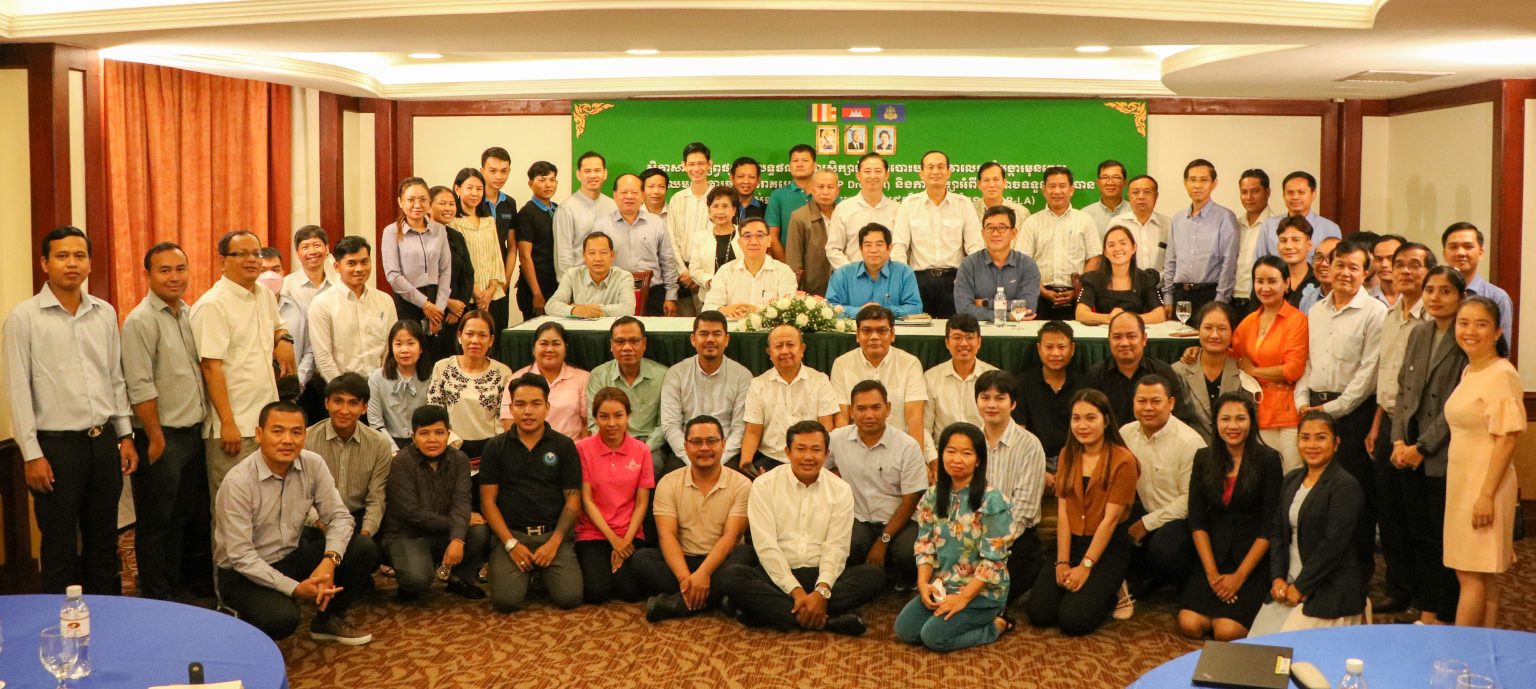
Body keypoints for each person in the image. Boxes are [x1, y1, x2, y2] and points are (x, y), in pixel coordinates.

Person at [6, 226, 139, 594]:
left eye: (79, 256)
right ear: (44, 263)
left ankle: (105, 616)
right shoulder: (24, 318)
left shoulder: (104, 313)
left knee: (103, 540)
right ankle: (60, 622)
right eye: (62, 256)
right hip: (56, 448)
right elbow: (17, 390)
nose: (72, 263)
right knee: (59, 545)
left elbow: (115, 378)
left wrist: (125, 434)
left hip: (103, 443)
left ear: (89, 263)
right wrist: (31, 454)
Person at [214, 400, 378, 643]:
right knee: (283, 619)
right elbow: (240, 556)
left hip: (290, 556)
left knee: (363, 549)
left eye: (296, 432)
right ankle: (239, 620)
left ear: (304, 435)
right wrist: (295, 588)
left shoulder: (313, 464)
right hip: (243, 573)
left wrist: (329, 561)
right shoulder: (238, 482)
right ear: (259, 434)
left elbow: (340, 517)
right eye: (277, 431)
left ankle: (327, 620)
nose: (287, 440)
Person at [718, 421, 886, 636]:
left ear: (826, 454)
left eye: (816, 450)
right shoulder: (764, 485)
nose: (808, 457)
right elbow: (766, 546)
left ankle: (767, 612)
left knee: (874, 577)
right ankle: (828, 620)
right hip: (777, 573)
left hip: (821, 573)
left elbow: (836, 547)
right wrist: (796, 592)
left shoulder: (841, 489)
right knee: (732, 576)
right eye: (801, 449)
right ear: (787, 452)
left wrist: (822, 591)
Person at [1295, 238, 1385, 585]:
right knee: (1317, 493)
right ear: (1327, 268)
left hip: (1352, 414)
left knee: (1353, 496)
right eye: (1339, 265)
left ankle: (1356, 576)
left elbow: (1368, 374)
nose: (1345, 272)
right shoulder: (1316, 311)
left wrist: (1331, 410)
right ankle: (1317, 571)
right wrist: (1301, 401)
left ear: (1365, 273)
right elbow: (1307, 361)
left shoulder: (1375, 313)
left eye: (1353, 267)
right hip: (1314, 409)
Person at [121, 242, 207, 600]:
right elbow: (139, 385)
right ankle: (156, 593)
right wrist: (156, 438)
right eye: (165, 270)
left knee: (181, 516)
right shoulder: (140, 321)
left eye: (180, 269)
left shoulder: (187, 313)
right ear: (148, 275)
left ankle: (173, 586)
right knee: (156, 521)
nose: (174, 277)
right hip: (160, 437)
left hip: (191, 435)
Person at [1388, 266, 1467, 625]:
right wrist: (1398, 439)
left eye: (1445, 291)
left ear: (1460, 296)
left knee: (1442, 538)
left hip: (1442, 455)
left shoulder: (1465, 336)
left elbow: (1456, 404)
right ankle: (1427, 609)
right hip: (1408, 450)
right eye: (1430, 290)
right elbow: (1403, 390)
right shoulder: (1419, 332)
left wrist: (1422, 447)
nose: (1435, 297)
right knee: (1417, 534)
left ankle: (1445, 613)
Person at [1026, 390, 1139, 636]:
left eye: (1090, 418)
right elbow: (1064, 513)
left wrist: (1086, 567)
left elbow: (1110, 521)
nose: (1082, 425)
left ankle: (1116, 590)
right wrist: (1063, 561)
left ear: (1106, 420)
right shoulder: (1067, 454)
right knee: (1040, 613)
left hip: (1106, 546)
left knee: (1073, 621)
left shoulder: (1124, 460)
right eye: (1076, 418)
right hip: (1072, 541)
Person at [194, 230, 297, 499]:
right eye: (241, 254)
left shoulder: (263, 293)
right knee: (233, 506)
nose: (252, 259)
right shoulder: (213, 305)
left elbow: (279, 327)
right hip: (234, 427)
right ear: (222, 261)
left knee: (268, 502)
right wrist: (228, 423)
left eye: (256, 253)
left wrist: (284, 340)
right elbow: (210, 368)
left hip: (266, 422)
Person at [895, 423, 1014, 651]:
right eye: (951, 451)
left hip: (983, 592)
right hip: (944, 585)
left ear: (978, 460)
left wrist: (963, 598)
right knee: (905, 630)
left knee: (933, 638)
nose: (957, 459)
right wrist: (923, 584)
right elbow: (925, 545)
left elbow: (994, 561)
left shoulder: (992, 500)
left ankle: (996, 624)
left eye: (966, 453)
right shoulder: (932, 496)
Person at [1443, 297, 1523, 628]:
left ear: (1497, 331)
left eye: (1481, 324)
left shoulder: (1501, 373)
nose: (1470, 331)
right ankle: (1486, 646)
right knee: (1481, 571)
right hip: (1464, 482)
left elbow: (1507, 439)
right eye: (1464, 323)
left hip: (1486, 483)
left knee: (1470, 573)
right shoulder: (1470, 369)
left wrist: (1486, 495)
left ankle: (1461, 650)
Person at [1177, 392, 1283, 641]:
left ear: (1251, 422)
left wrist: (1238, 578)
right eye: (1225, 419)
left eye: (1240, 418)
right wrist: (1212, 574)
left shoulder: (1268, 460)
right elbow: (1197, 520)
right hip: (1213, 555)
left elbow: (1270, 525)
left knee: (1227, 631)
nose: (1233, 426)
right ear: (1216, 422)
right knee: (1190, 625)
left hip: (1251, 558)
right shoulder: (1203, 458)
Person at [1250, 411, 1365, 635]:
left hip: (1327, 588)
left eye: (1321, 438)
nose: (1312, 445)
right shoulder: (1291, 479)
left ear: (1336, 443)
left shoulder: (1345, 485)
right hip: (1287, 584)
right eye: (1305, 438)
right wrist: (1277, 578)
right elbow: (1278, 534)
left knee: (1291, 648)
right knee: (1256, 645)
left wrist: (1301, 587)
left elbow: (1333, 546)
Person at [1366, 240, 1434, 614]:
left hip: (1418, 428)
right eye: (1400, 264)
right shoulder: (1391, 314)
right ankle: (1399, 588)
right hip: (1389, 422)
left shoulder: (1433, 317)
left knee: (1416, 515)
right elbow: (1386, 375)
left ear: (1428, 271)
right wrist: (1377, 425)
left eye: (1414, 264)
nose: (1405, 271)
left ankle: (1424, 595)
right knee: (1389, 512)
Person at [480, 373, 585, 612]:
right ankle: (525, 572)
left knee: (569, 598)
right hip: (512, 535)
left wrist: (554, 543)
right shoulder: (495, 447)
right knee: (506, 602)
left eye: (536, 404)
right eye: (520, 404)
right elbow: (488, 502)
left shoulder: (564, 445)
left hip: (552, 535)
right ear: (511, 409)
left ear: (547, 407)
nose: (528, 411)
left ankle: (538, 573)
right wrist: (510, 543)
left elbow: (573, 499)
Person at [638, 415, 755, 622]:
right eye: (696, 442)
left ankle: (675, 604)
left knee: (746, 555)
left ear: (723, 444)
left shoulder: (742, 484)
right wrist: (686, 577)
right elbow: (667, 536)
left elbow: (730, 537)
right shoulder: (668, 483)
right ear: (685, 446)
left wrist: (704, 574)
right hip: (683, 560)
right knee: (642, 559)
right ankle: (717, 598)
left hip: (721, 561)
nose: (704, 448)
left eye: (711, 441)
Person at [382, 404, 489, 601]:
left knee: (479, 530)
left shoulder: (460, 460)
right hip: (409, 534)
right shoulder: (401, 462)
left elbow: (462, 501)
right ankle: (410, 581)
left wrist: (457, 539)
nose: (432, 439)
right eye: (424, 433)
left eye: (439, 432)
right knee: (416, 579)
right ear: (413, 437)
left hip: (443, 532)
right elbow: (410, 512)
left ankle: (458, 579)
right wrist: (458, 524)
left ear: (448, 434)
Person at [828, 380, 927, 586]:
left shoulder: (907, 446)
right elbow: (815, 465)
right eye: (861, 408)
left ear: (888, 409)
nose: (869, 415)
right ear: (851, 411)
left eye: (876, 407)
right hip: (859, 518)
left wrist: (883, 541)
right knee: (844, 549)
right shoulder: (837, 439)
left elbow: (911, 501)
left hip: (901, 522)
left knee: (907, 555)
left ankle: (897, 584)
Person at [1119, 374, 1203, 602]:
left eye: (1155, 401)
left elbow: (1190, 501)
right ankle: (1141, 578)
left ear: (1171, 403)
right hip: (1148, 508)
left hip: (1183, 518)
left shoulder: (1189, 443)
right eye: (1141, 401)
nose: (1148, 408)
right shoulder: (1126, 433)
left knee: (1165, 552)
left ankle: (1181, 583)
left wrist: (1145, 524)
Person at [575, 387, 656, 604]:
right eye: (604, 417)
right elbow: (587, 500)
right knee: (597, 592)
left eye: (618, 416)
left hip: (629, 532)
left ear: (628, 416)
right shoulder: (581, 449)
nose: (612, 423)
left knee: (630, 592)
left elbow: (642, 503)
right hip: (593, 532)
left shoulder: (642, 450)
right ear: (595, 418)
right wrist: (613, 540)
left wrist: (624, 541)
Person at [1229, 257, 1310, 472]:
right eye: (1259, 281)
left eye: (1272, 281)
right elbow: (1232, 356)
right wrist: (1197, 352)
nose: (1265, 288)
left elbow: (1293, 370)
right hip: (1257, 412)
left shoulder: (1297, 320)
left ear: (1287, 283)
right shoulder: (1249, 321)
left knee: (1291, 476)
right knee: (1263, 478)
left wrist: (1254, 370)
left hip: (1288, 415)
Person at [973, 370, 1047, 601]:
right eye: (985, 397)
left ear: (1013, 404)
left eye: (1000, 398)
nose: (991, 405)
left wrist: (991, 545)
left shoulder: (1029, 445)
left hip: (1014, 537)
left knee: (989, 594)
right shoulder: (970, 440)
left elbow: (1024, 511)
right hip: (973, 532)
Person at [305, 372, 393, 551]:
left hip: (357, 518)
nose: (344, 410)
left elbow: (376, 498)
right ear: (326, 403)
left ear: (364, 407)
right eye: (338, 401)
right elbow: (301, 495)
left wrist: (365, 534)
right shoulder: (307, 439)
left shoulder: (379, 444)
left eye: (353, 403)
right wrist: (321, 525)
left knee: (367, 549)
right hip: (318, 519)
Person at [1084, 311, 1209, 437]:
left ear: (1144, 339)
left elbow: (1178, 419)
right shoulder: (1095, 376)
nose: (1124, 343)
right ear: (1109, 340)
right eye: (1117, 337)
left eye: (1131, 336)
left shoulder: (1162, 372)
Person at [892, 150, 984, 319]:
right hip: (918, 281)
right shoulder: (909, 204)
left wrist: (969, 279)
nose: (936, 171)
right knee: (916, 328)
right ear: (921, 173)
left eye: (941, 167)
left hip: (954, 281)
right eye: (930, 167)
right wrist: (904, 280)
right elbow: (899, 246)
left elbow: (975, 247)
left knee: (954, 329)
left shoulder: (963, 204)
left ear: (949, 172)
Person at [739, 324, 841, 476]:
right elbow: (753, 432)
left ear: (802, 349)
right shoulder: (758, 384)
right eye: (778, 346)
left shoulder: (820, 381)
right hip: (771, 459)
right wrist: (746, 464)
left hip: (810, 457)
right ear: (769, 352)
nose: (785, 351)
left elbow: (826, 428)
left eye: (791, 345)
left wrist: (823, 463)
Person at [660, 312, 753, 472]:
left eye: (717, 334)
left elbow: (739, 429)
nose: (710, 339)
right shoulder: (676, 374)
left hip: (725, 452)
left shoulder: (742, 376)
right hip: (687, 452)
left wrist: (718, 461)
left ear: (726, 340)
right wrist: (691, 460)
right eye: (703, 334)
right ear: (693, 339)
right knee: (669, 480)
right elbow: (671, 426)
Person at [830, 305, 929, 454]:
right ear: (857, 335)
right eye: (867, 331)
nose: (874, 337)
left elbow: (915, 418)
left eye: (882, 331)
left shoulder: (910, 364)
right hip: (856, 449)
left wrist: (917, 460)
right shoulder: (841, 364)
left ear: (892, 334)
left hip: (898, 449)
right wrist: (843, 458)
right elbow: (842, 418)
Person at [308, 236, 397, 384]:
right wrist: (344, 391)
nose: (359, 269)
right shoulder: (322, 304)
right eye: (351, 263)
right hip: (341, 387)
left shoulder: (385, 301)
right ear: (337, 267)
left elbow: (390, 348)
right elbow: (323, 358)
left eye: (364, 262)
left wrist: (382, 384)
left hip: (381, 384)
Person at [427, 310, 513, 459]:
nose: (475, 340)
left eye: (482, 335)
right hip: (450, 448)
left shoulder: (503, 373)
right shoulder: (442, 367)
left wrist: (494, 450)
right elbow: (435, 411)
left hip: (491, 450)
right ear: (459, 336)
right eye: (469, 334)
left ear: (491, 340)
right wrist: (452, 445)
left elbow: (503, 417)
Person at [1017, 166, 1098, 321]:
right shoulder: (1032, 222)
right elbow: (1023, 261)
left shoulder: (1085, 220)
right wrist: (1042, 290)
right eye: (1052, 186)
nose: (1057, 191)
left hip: (1077, 295)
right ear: (1044, 190)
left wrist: (1079, 289)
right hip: (1039, 296)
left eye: (1062, 186)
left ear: (1071, 190)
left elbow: (1094, 258)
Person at [1162, 159, 1239, 322]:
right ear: (1185, 183)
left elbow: (1229, 263)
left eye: (1203, 180)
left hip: (1210, 295)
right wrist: (1168, 297)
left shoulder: (1225, 217)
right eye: (1192, 180)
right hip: (1180, 295)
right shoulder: (1178, 218)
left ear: (1214, 184)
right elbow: (1171, 261)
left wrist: (1220, 302)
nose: (1197, 185)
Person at [381, 177, 452, 347]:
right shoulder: (391, 232)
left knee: (436, 351)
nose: (417, 205)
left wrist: (439, 308)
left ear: (429, 202)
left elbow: (445, 270)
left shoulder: (439, 230)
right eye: (411, 200)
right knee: (410, 350)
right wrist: (424, 304)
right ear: (400, 202)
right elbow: (393, 275)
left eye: (422, 200)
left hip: (436, 300)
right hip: (407, 300)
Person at [597, 173, 679, 316]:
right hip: (614, 293)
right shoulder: (602, 226)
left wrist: (671, 296)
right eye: (624, 192)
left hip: (653, 294)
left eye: (634, 192)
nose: (629, 196)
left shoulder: (657, 223)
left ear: (642, 195)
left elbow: (667, 261)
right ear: (615, 195)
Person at [1015, 320, 1083, 483]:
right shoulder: (1022, 384)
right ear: (1039, 349)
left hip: (1074, 462)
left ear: (1072, 349)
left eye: (1061, 347)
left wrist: (1068, 470)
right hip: (1034, 461)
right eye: (1049, 347)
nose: (1055, 353)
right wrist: (1038, 473)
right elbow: (1019, 435)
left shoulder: (1083, 385)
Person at [585, 316, 668, 449]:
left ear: (644, 343)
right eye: (620, 341)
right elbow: (594, 423)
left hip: (648, 447)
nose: (627, 347)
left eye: (634, 341)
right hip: (609, 445)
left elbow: (664, 425)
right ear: (611, 345)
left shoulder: (663, 375)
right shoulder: (599, 375)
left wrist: (641, 450)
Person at [922, 314, 996, 458]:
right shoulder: (931, 378)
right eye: (957, 337)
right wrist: (933, 460)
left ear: (979, 341)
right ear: (947, 342)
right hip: (943, 457)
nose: (963, 343)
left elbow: (999, 426)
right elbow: (924, 427)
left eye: (969, 337)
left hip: (984, 456)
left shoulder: (993, 377)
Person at [502, 321, 590, 439]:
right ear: (533, 349)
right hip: (528, 448)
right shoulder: (516, 379)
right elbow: (509, 424)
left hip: (572, 447)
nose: (549, 349)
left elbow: (589, 424)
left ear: (566, 349)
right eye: (543, 344)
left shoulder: (583, 379)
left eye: (556, 344)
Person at [1171, 302, 1255, 425]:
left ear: (1233, 331)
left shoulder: (1242, 370)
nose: (1214, 335)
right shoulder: (1178, 371)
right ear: (1198, 330)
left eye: (1222, 329)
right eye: (1208, 328)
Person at [953, 206, 1041, 322]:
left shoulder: (1027, 265)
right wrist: (1007, 316)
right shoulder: (969, 264)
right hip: (978, 329)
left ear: (1013, 233)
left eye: (1002, 228)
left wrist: (985, 303)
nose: (995, 234)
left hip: (1018, 329)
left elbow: (1027, 308)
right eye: (990, 228)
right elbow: (963, 309)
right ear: (983, 233)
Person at [451, 167, 513, 327]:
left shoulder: (489, 221)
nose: (475, 193)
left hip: (493, 295)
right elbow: (459, 264)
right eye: (469, 188)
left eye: (479, 189)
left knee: (495, 337)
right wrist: (478, 294)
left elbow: (496, 258)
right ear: (457, 189)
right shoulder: (452, 223)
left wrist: (491, 290)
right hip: (467, 296)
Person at [700, 218, 797, 318]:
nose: (753, 242)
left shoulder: (783, 272)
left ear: (769, 241)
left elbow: (791, 310)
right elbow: (708, 307)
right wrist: (724, 310)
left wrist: (760, 311)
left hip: (769, 328)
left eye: (760, 236)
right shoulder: (725, 271)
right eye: (747, 236)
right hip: (733, 327)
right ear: (739, 243)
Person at [824, 223, 923, 318]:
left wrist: (884, 311)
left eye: (879, 244)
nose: (873, 250)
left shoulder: (904, 273)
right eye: (868, 245)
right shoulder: (842, 274)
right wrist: (860, 311)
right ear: (861, 249)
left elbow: (915, 308)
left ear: (889, 248)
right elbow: (829, 308)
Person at [1076, 225, 1165, 326]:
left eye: (1123, 243)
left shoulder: (1145, 278)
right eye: (1111, 245)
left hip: (1134, 332)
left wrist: (1127, 319)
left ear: (1133, 248)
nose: (1117, 248)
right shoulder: (1094, 279)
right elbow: (1080, 313)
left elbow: (1159, 315)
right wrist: (1108, 318)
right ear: (1105, 252)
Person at [1441, 222, 1514, 336]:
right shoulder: (1434, 296)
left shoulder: (1497, 297)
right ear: (1444, 254)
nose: (1460, 253)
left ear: (1480, 253)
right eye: (1453, 247)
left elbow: (1502, 344)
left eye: (1468, 247)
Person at [827, 153, 899, 270]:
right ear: (858, 175)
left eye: (878, 171)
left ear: (886, 175)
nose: (872, 176)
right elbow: (833, 249)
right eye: (867, 171)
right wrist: (851, 272)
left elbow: (899, 248)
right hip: (852, 275)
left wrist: (892, 271)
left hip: (888, 275)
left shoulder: (897, 210)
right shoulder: (843, 208)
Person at [1253, 171, 1344, 263]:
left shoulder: (1329, 228)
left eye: (1301, 192)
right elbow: (1259, 263)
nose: (1295, 197)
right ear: (1283, 195)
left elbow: (1335, 263)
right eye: (1290, 193)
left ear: (1313, 194)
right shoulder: (1269, 226)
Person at [368, 320, 432, 448]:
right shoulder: (376, 378)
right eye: (398, 344)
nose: (404, 350)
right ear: (391, 348)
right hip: (388, 444)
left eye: (411, 343)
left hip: (425, 444)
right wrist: (393, 450)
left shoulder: (433, 377)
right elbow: (375, 422)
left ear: (421, 348)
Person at [555, 150, 619, 275]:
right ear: (578, 175)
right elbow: (563, 254)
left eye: (597, 170)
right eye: (587, 171)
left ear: (605, 174)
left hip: (610, 280)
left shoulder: (613, 206)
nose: (593, 175)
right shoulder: (566, 208)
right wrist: (569, 283)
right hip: (579, 280)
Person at [545, 232, 637, 318]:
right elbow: (550, 306)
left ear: (612, 255)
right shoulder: (572, 275)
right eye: (592, 253)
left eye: (603, 252)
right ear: (584, 256)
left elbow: (628, 309)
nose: (598, 258)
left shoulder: (624, 277)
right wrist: (575, 310)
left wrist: (586, 309)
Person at [430, 185, 477, 341]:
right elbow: (421, 278)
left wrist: (459, 307)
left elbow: (468, 274)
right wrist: (447, 303)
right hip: (432, 310)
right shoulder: (422, 237)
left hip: (457, 314)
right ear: (429, 206)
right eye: (442, 203)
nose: (448, 208)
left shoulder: (456, 236)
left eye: (451, 204)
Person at [666, 143, 714, 295]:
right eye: (691, 164)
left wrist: (698, 275)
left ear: (709, 164)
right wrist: (683, 271)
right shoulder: (677, 199)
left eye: (701, 163)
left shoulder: (718, 198)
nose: (696, 168)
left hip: (710, 274)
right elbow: (671, 238)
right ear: (684, 166)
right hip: (682, 277)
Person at [516, 161, 561, 318]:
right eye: (542, 180)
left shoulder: (557, 209)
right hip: (536, 287)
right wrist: (536, 293)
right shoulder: (527, 213)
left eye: (552, 180)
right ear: (531, 184)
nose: (548, 185)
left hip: (555, 284)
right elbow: (524, 256)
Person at [785, 168, 839, 295]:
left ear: (837, 190)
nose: (825, 192)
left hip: (843, 285)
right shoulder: (799, 216)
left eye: (830, 187)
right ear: (811, 189)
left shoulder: (845, 214)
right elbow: (794, 259)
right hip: (812, 290)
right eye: (820, 187)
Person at [684, 185, 743, 300]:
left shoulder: (744, 235)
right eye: (715, 206)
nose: (720, 211)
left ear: (734, 210)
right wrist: (712, 282)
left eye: (725, 206)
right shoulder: (700, 237)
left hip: (741, 296)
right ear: (709, 210)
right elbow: (695, 270)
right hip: (709, 297)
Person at [1109, 174, 1169, 273]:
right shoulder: (1117, 224)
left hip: (1162, 282)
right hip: (1127, 282)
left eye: (1147, 192)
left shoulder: (1168, 224)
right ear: (1129, 196)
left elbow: (1175, 261)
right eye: (1135, 192)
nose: (1141, 197)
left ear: (1156, 196)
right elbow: (1110, 259)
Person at [766, 144, 817, 259]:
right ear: (790, 166)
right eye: (795, 160)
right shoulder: (778, 195)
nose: (799, 164)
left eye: (805, 160)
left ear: (815, 165)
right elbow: (772, 237)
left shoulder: (826, 194)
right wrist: (786, 266)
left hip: (822, 263)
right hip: (787, 262)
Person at [282, 224, 335, 313]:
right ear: (297, 253)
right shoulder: (286, 285)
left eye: (317, 245)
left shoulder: (338, 282)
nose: (312, 251)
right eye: (305, 247)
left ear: (327, 249)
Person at [1272, 215, 1321, 309]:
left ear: (1309, 245)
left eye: (1296, 240)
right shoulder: (1270, 279)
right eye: (1283, 240)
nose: (1288, 246)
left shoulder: (1319, 280)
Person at [970, 161, 1030, 229]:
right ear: (979, 184)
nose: (991, 185)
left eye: (996, 179)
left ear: (1004, 182)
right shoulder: (969, 211)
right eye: (986, 180)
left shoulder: (1021, 213)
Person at [1084, 159, 1129, 234]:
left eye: (1116, 177)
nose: (1110, 182)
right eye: (1105, 177)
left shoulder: (1135, 212)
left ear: (1125, 182)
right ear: (1098, 182)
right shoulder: (1086, 215)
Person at [1300, 236, 1341, 313]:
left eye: (1331, 258)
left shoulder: (1354, 300)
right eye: (1319, 257)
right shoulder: (1307, 301)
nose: (1324, 264)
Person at [1367, 234, 1405, 305]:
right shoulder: (1366, 298)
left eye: (1391, 258)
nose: (1384, 264)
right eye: (1378, 259)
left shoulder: (1418, 297)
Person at [729, 156, 768, 222]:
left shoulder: (767, 211)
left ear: (758, 180)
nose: (746, 181)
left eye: (751, 177)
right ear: (732, 178)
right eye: (741, 176)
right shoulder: (724, 208)